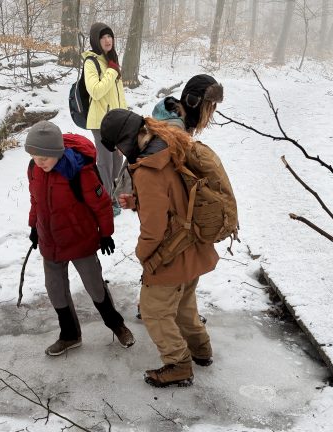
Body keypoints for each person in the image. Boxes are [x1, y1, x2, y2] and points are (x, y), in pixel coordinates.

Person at [99, 109, 219, 387]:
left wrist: (143, 255)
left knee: (154, 311)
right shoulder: (169, 143)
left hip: (171, 254)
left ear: (126, 139)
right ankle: (201, 351)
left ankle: (178, 364)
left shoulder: (148, 169)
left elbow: (153, 230)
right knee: (184, 304)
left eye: (116, 146)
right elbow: (174, 198)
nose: (117, 152)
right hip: (194, 246)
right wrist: (138, 203)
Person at [25, 120, 135, 356]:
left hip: (80, 240)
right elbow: (36, 201)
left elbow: (102, 205)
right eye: (35, 156)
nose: (39, 161)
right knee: (55, 289)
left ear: (57, 152)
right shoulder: (34, 170)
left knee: (95, 287)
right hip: (50, 242)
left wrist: (106, 234)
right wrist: (34, 226)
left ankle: (117, 325)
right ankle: (70, 335)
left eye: (44, 156)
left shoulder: (79, 172)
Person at [115, 74, 224, 211]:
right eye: (209, 105)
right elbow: (157, 173)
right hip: (152, 201)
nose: (211, 111)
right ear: (194, 102)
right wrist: (137, 200)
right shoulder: (174, 131)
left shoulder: (174, 112)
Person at [83, 22, 127, 217]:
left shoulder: (112, 60)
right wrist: (111, 71)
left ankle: (115, 196)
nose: (108, 40)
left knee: (118, 159)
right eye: (103, 37)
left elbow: (119, 95)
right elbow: (96, 91)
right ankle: (106, 201)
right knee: (105, 162)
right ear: (96, 40)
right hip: (100, 122)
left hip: (118, 122)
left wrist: (125, 118)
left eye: (110, 36)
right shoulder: (91, 62)